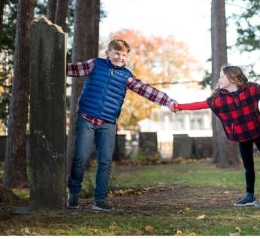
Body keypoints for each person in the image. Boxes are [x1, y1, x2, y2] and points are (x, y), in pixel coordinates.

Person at [66, 39, 178, 211]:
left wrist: (168, 101)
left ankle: (99, 200)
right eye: (116, 53)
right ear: (108, 53)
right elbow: (73, 69)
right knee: (81, 158)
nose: (120, 57)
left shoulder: (126, 76)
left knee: (105, 161)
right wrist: (54, 64)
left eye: (124, 55)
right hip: (87, 118)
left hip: (108, 123)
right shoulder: (95, 64)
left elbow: (146, 90)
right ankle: (73, 193)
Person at [173, 65, 260, 206]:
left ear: (232, 78)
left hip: (257, 131)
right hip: (241, 135)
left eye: (222, 76)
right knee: (248, 166)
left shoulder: (251, 90)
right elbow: (200, 105)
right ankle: (250, 195)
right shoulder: (219, 99)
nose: (219, 79)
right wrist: (179, 106)